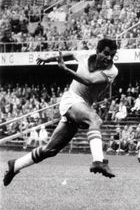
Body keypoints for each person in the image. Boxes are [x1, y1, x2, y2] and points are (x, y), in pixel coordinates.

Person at [3, 39, 118, 186]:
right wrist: (48, 58)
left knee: (50, 150)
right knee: (95, 120)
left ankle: (15, 165)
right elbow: (69, 53)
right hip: (71, 100)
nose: (109, 58)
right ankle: (98, 162)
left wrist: (65, 69)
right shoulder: (83, 56)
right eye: (106, 54)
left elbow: (88, 81)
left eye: (112, 56)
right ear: (97, 51)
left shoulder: (112, 71)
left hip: (83, 105)